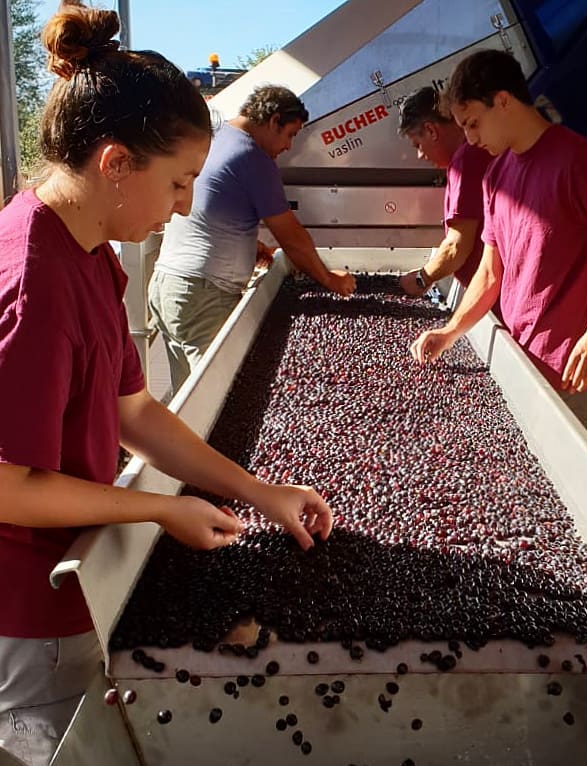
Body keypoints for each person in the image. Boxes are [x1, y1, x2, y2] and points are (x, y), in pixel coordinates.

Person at [0, 4, 332, 765]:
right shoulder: (33, 281)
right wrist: (158, 508)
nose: (184, 205)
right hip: (27, 607)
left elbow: (137, 412)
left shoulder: (89, 252)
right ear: (116, 163)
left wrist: (259, 493)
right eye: (179, 182)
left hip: (76, 581)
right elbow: (8, 486)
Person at [410, 49, 587, 428]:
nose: (471, 140)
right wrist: (450, 331)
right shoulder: (495, 176)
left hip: (566, 366)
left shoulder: (580, 162)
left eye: (474, 123)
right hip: (516, 356)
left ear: (503, 101)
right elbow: (490, 274)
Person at [149, 85, 357, 394]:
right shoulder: (253, 157)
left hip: (169, 286)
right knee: (214, 396)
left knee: (187, 399)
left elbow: (209, 209)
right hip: (203, 296)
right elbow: (291, 236)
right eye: (289, 135)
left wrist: (247, 248)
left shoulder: (215, 137)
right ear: (273, 121)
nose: (288, 146)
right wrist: (329, 279)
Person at [397, 86, 493, 297]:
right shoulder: (471, 155)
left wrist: (422, 279)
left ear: (431, 130)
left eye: (418, 145)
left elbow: (457, 246)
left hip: (496, 295)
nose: (420, 155)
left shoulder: (466, 161)